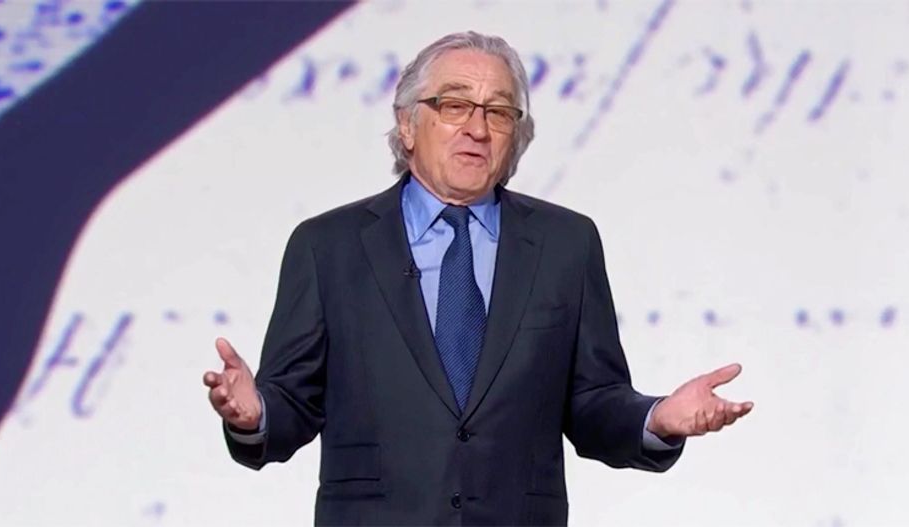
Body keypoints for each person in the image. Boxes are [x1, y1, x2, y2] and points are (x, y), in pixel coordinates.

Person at [202, 31, 753, 526]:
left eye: (499, 112)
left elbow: (593, 402)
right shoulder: (329, 246)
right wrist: (254, 414)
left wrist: (658, 418)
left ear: (517, 135)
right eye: (454, 105)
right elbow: (293, 401)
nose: (477, 129)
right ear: (406, 124)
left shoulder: (566, 244)